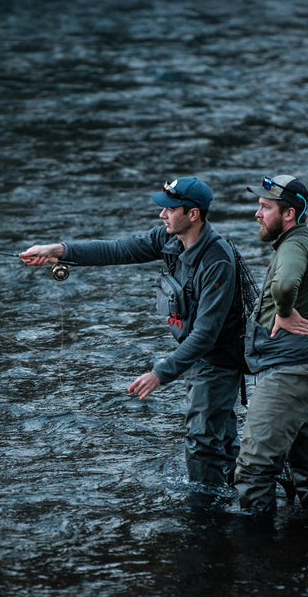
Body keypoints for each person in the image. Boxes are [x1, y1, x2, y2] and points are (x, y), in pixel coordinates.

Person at [21, 177, 244, 488]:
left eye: (169, 209)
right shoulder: (170, 241)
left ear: (193, 214)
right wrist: (57, 250)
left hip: (217, 359)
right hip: (194, 356)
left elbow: (206, 335)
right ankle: (238, 497)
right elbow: (117, 250)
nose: (161, 215)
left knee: (202, 442)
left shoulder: (216, 261)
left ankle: (205, 517)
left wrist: (159, 374)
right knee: (220, 439)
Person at [234, 175, 308, 516]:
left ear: (289, 214)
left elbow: (283, 287)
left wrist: (284, 313)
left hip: (286, 377)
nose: (257, 214)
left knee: (252, 467)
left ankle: (259, 556)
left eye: (265, 207)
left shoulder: (293, 247)